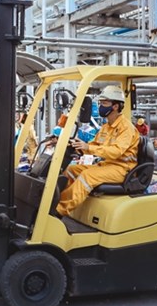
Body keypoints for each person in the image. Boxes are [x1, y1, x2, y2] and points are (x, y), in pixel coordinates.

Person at [56, 85, 140, 217]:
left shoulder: (126, 128)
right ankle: (57, 201)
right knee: (71, 170)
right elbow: (94, 144)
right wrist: (77, 146)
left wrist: (88, 148)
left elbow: (116, 151)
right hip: (108, 165)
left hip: (123, 169)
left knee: (87, 176)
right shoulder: (106, 127)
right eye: (100, 103)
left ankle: (59, 210)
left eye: (104, 103)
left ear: (115, 106)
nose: (101, 106)